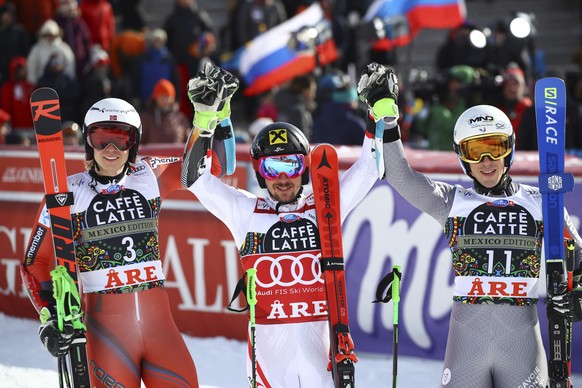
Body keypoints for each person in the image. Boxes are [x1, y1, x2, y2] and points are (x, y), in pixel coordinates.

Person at [356, 62, 582, 388]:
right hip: (466, 342)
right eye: (475, 151)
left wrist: (575, 298)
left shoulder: (543, 202)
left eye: (494, 148)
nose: (486, 162)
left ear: (510, 150)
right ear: (462, 158)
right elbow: (399, 174)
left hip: (522, 343)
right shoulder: (452, 201)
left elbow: (579, 262)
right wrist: (385, 113)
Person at [181, 63, 379, 387]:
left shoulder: (326, 204)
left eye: (292, 164)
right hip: (268, 368)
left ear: (305, 168)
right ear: (260, 173)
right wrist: (204, 120)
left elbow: (370, 167)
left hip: (324, 364)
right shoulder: (244, 212)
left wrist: (378, 113)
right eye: (272, 167)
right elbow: (194, 180)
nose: (283, 177)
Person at [20, 98, 200, 387]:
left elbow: (210, 168)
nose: (111, 150)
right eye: (101, 138)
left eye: (121, 139)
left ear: (135, 143)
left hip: (161, 332)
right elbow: (35, 263)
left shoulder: (149, 174)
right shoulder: (66, 192)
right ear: (88, 141)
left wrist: (209, 118)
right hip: (107, 338)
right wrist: (52, 316)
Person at [140, 78, 190, 144]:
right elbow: (139, 144)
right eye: (162, 97)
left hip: (176, 154)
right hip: (152, 154)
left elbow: (190, 143)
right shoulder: (146, 119)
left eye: (168, 97)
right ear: (156, 98)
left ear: (173, 98)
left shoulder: (180, 119)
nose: (165, 100)